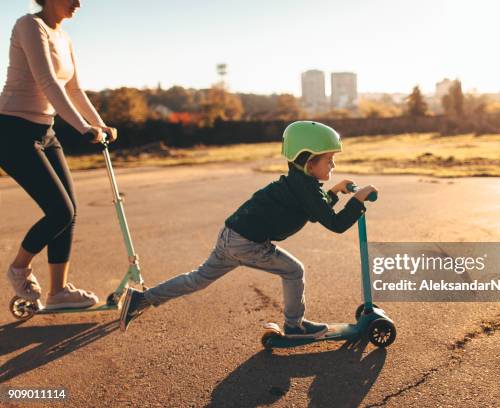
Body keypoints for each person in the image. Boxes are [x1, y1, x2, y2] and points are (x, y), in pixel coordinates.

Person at [120, 121, 377, 338]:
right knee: (294, 271)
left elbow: (315, 209)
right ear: (310, 163)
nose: (332, 166)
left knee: (197, 279)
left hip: (231, 234)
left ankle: (140, 300)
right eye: (329, 160)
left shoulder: (299, 183)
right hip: (248, 243)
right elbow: (335, 224)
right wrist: (357, 200)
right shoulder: (307, 188)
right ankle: (294, 325)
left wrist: (334, 192)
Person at [0, 0, 117, 309]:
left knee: (70, 212)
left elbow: (74, 89)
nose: (79, 3)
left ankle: (58, 292)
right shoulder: (29, 26)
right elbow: (48, 82)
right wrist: (82, 128)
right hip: (12, 131)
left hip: (44, 131)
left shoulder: (64, 38)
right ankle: (18, 268)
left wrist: (100, 124)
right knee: (60, 211)